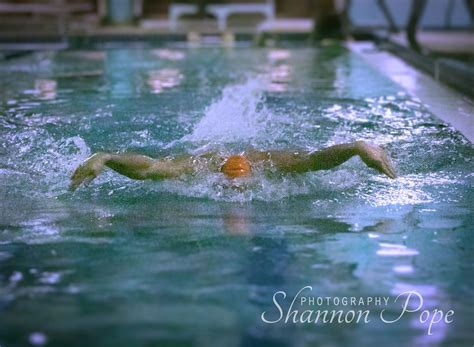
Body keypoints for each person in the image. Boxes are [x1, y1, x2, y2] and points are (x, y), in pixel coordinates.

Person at [69, 141, 396, 191]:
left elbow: (315, 160)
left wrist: (357, 148)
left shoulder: (271, 165)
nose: (234, 189)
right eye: (231, 184)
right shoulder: (201, 167)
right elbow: (151, 167)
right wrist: (106, 158)